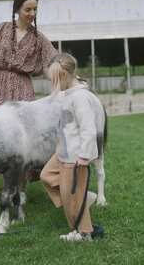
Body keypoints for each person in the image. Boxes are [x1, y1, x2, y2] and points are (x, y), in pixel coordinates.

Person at [0, 0, 58, 203]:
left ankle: (20, 190)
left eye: (35, 10)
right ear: (17, 9)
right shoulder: (1, 30)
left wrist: (72, 81)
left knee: (22, 142)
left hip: (23, 92)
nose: (32, 13)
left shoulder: (39, 39)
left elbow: (56, 61)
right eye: (27, 9)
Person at [40, 53, 104, 242]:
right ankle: (84, 198)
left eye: (54, 80)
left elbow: (89, 129)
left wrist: (84, 156)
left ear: (65, 76)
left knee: (72, 194)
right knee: (46, 176)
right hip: (62, 153)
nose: (53, 85)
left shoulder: (80, 98)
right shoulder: (68, 94)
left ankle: (83, 233)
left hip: (75, 157)